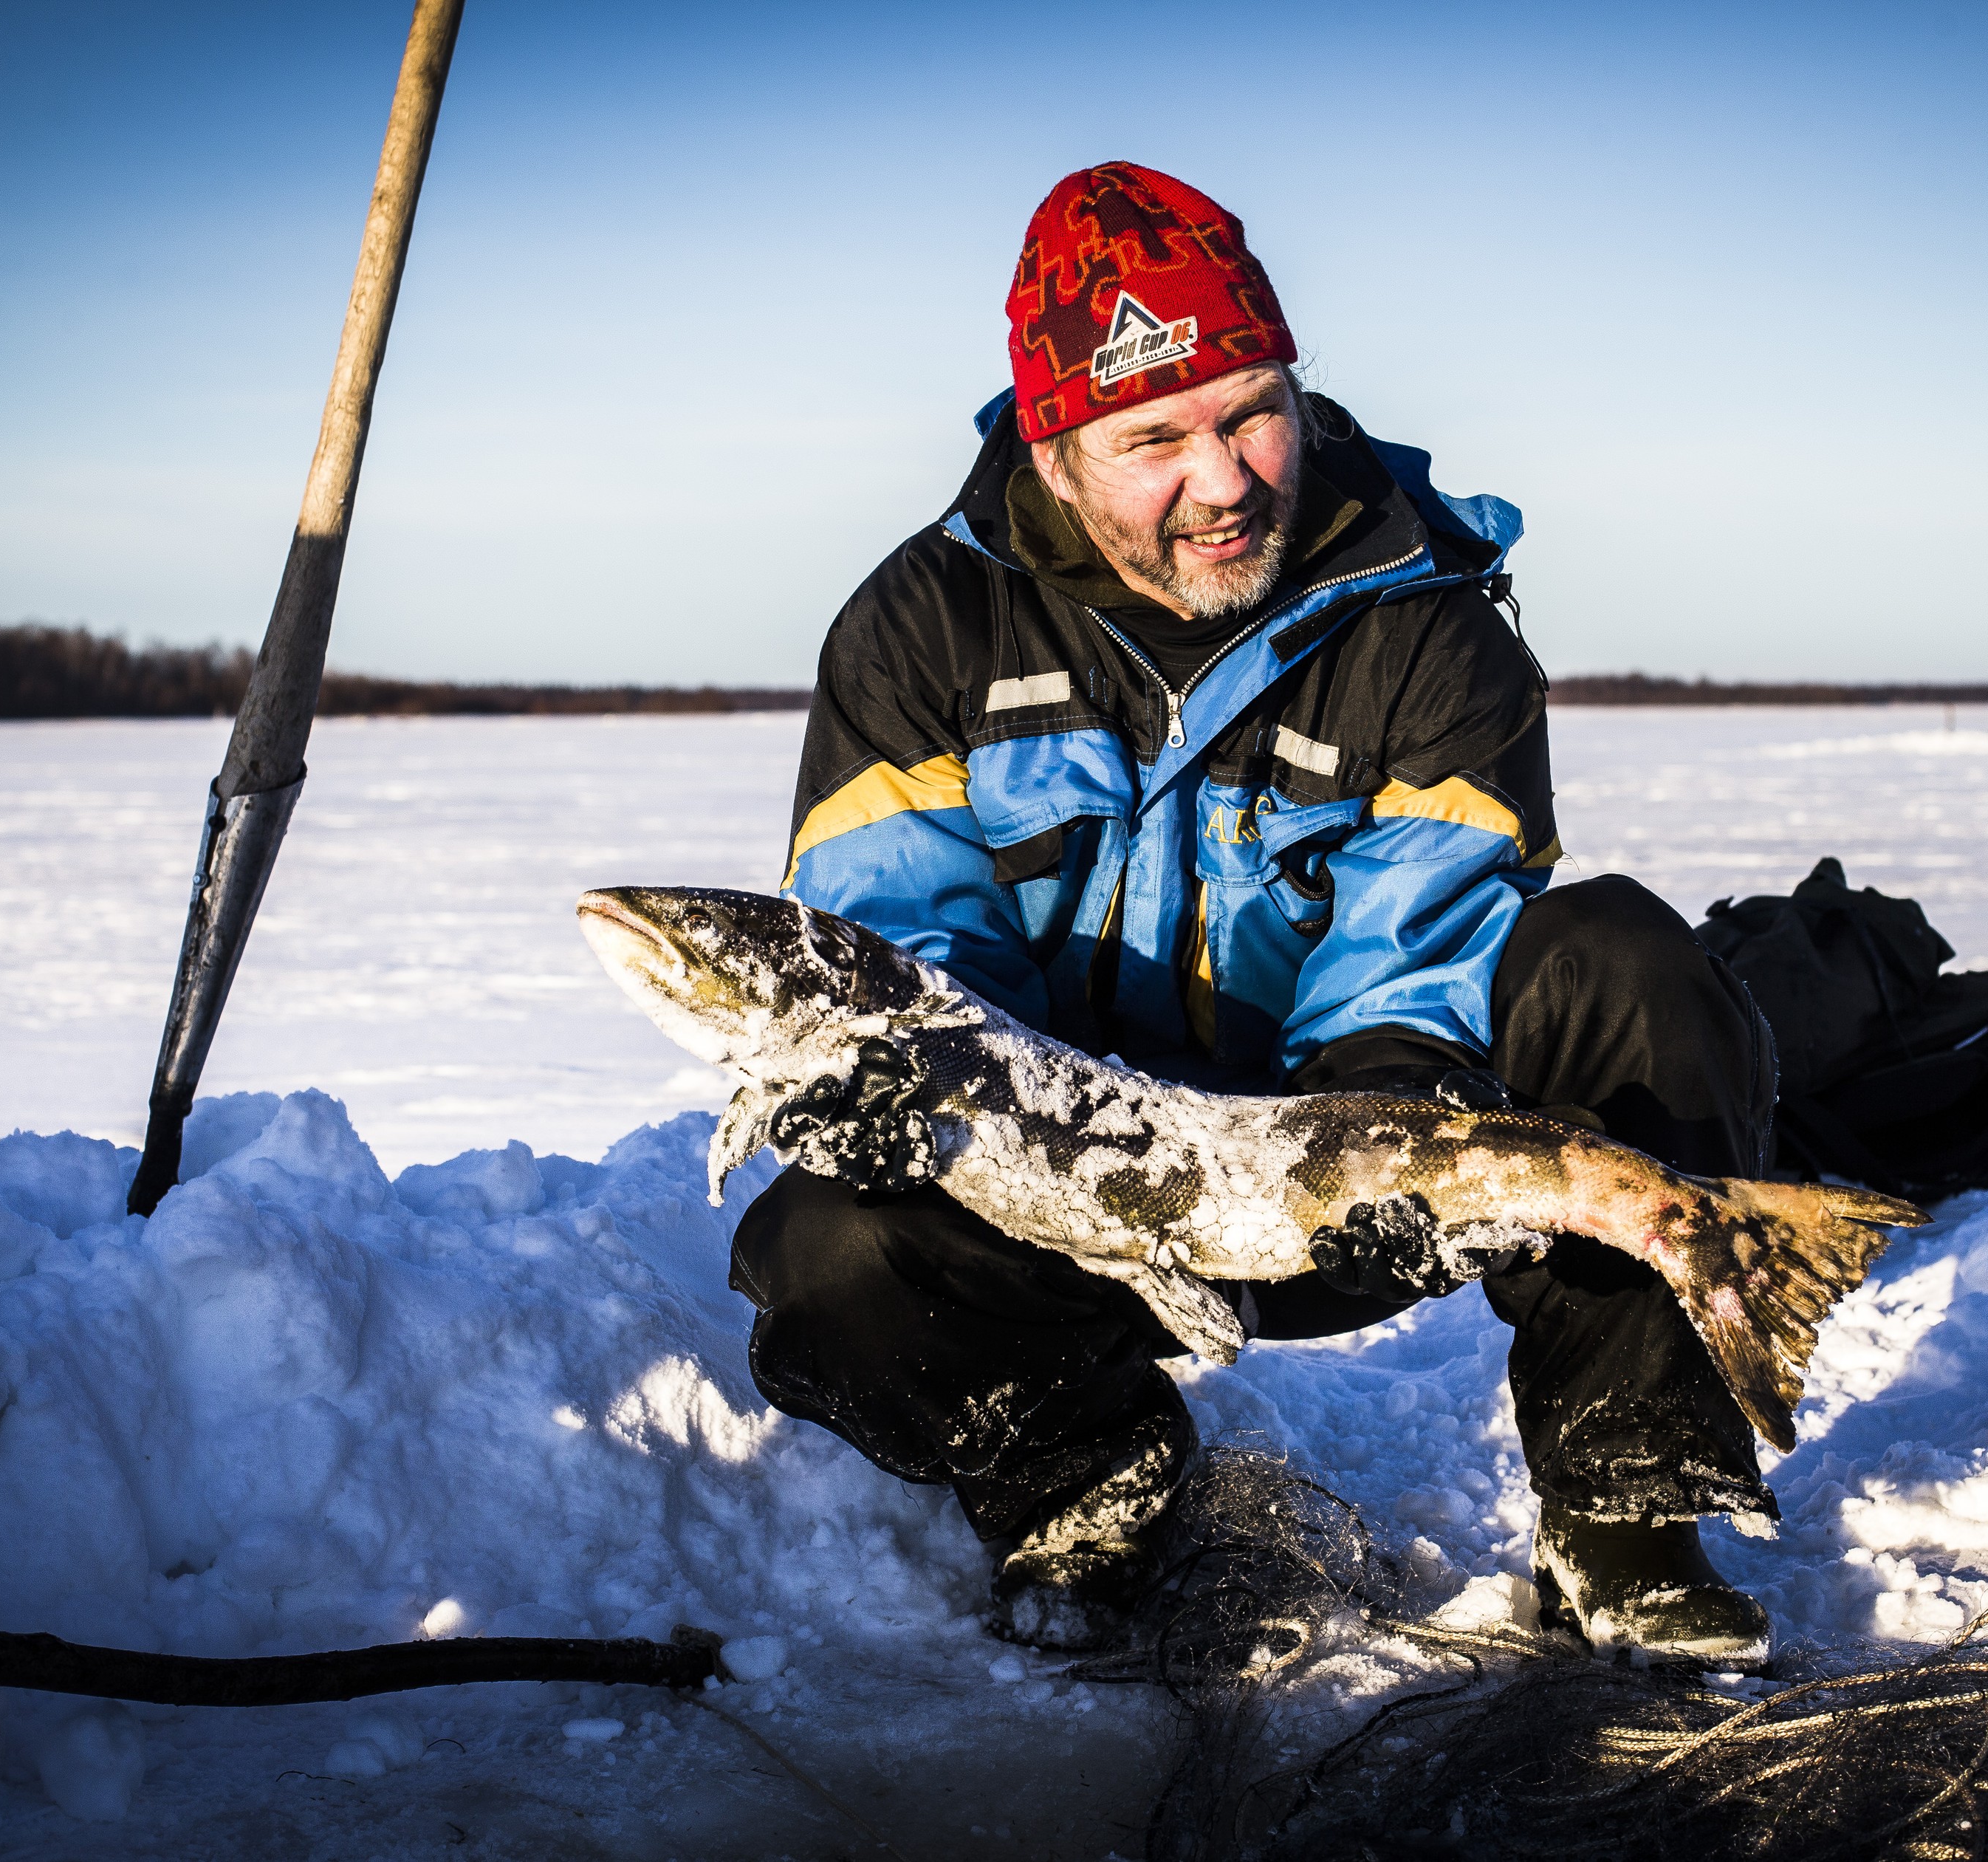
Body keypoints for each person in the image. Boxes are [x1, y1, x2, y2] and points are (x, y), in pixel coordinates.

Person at [728, 162, 1782, 1665]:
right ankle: (1085, 1484)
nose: (1222, 482)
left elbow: (1423, 938)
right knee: (823, 1255)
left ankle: (1625, 1522)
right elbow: (909, 944)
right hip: (1068, 1197)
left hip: (1335, 1176)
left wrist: (1403, 1111)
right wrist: (908, 1086)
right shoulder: (920, 628)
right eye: (1155, 439)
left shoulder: (1423, 608)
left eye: (1249, 413)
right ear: (1055, 445)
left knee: (1622, 962)